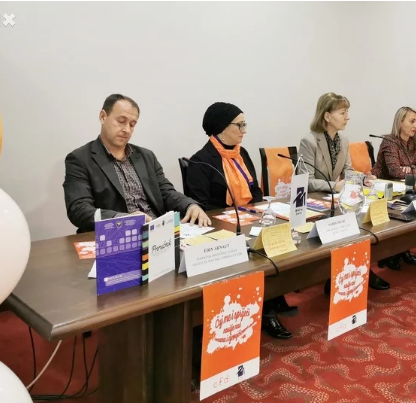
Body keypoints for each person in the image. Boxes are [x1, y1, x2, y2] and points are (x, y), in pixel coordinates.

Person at [186, 102, 296, 340]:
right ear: (221, 127)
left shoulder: (241, 153)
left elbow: (255, 190)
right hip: (222, 228)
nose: (244, 130)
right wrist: (239, 217)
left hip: (248, 219)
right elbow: (202, 207)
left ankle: (275, 295)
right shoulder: (200, 161)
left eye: (245, 124)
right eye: (240, 125)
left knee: (278, 234)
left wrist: (257, 213)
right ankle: (266, 312)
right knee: (259, 250)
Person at [63, 94, 210, 233]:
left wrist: (190, 205)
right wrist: (124, 219)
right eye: (121, 121)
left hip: (157, 233)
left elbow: (166, 191)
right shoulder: (80, 159)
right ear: (103, 116)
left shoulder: (146, 156)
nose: (127, 129)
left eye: (132, 124)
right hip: (117, 235)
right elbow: (79, 209)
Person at [299, 92, 390, 291]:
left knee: (359, 219)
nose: (347, 117)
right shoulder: (309, 141)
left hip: (335, 200)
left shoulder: (343, 139)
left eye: (347, 112)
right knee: (348, 221)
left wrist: (363, 178)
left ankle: (357, 272)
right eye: (342, 113)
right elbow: (305, 182)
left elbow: (348, 170)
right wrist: (334, 186)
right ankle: (338, 276)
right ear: (327, 116)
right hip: (314, 203)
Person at [371, 106, 416, 271]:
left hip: (405, 187)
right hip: (385, 188)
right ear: (400, 122)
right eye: (412, 121)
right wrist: (414, 170)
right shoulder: (390, 141)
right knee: (404, 207)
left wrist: (408, 169)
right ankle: (389, 253)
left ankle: (403, 249)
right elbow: (394, 171)